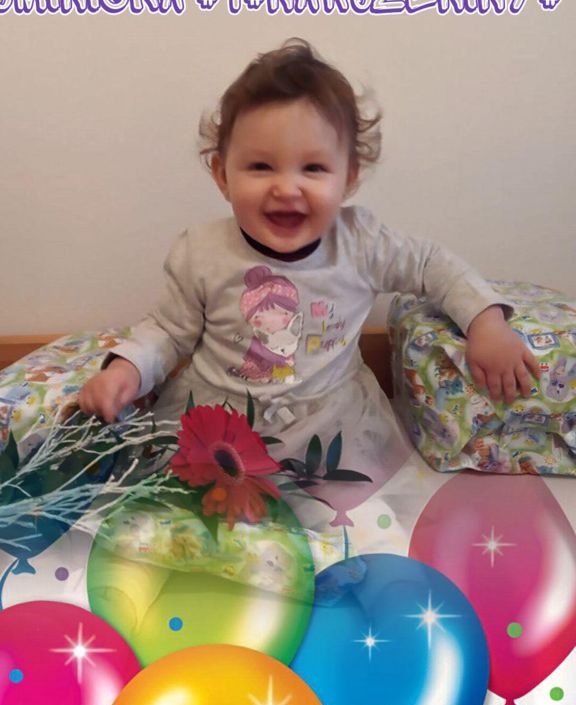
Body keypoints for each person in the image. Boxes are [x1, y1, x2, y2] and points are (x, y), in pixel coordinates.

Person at [77, 40, 539, 502]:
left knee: (342, 515)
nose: (286, 188)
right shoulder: (201, 252)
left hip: (328, 422)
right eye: (260, 166)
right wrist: (127, 369)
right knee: (190, 509)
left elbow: (430, 264)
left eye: (313, 168)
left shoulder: (359, 243)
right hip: (220, 422)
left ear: (348, 177)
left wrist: (486, 322)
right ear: (222, 175)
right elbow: (168, 330)